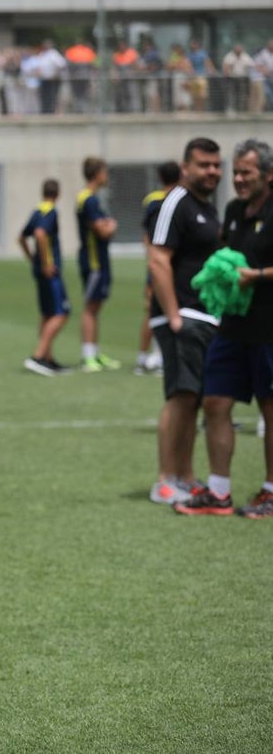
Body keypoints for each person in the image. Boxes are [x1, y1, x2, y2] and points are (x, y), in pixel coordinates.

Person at [185, 139, 273, 517]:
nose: (237, 179)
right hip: (233, 327)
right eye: (235, 172)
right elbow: (226, 253)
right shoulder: (234, 210)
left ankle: (271, 492)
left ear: (268, 175)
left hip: (269, 329)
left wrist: (259, 275)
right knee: (215, 402)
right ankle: (218, 491)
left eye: (245, 173)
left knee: (270, 410)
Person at [147, 137, 223, 506]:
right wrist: (174, 315)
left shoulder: (206, 207)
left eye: (216, 165)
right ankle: (165, 479)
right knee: (180, 395)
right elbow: (158, 258)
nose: (212, 171)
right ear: (186, 167)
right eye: (204, 164)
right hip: (182, 317)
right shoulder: (175, 201)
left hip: (203, 316)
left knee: (192, 398)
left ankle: (186, 476)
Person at [18, 178, 70, 376]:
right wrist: (47, 263)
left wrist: (32, 258)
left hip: (39, 271)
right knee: (61, 313)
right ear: (57, 193)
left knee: (48, 313)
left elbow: (22, 237)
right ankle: (38, 356)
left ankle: (47, 359)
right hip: (50, 273)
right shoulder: (50, 211)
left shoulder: (36, 211)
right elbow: (40, 234)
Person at [135, 161, 182, 376]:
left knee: (152, 308)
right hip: (170, 262)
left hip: (156, 261)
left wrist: (150, 256)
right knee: (166, 307)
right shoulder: (179, 201)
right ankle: (157, 357)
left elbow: (146, 234)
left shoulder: (151, 200)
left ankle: (145, 357)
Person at [76, 156, 121, 372]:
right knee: (90, 307)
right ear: (97, 174)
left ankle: (94, 351)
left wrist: (108, 225)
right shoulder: (89, 200)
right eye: (105, 172)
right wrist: (110, 226)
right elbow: (102, 229)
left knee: (96, 307)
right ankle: (87, 356)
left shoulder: (91, 197)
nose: (107, 176)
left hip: (99, 260)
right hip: (93, 261)